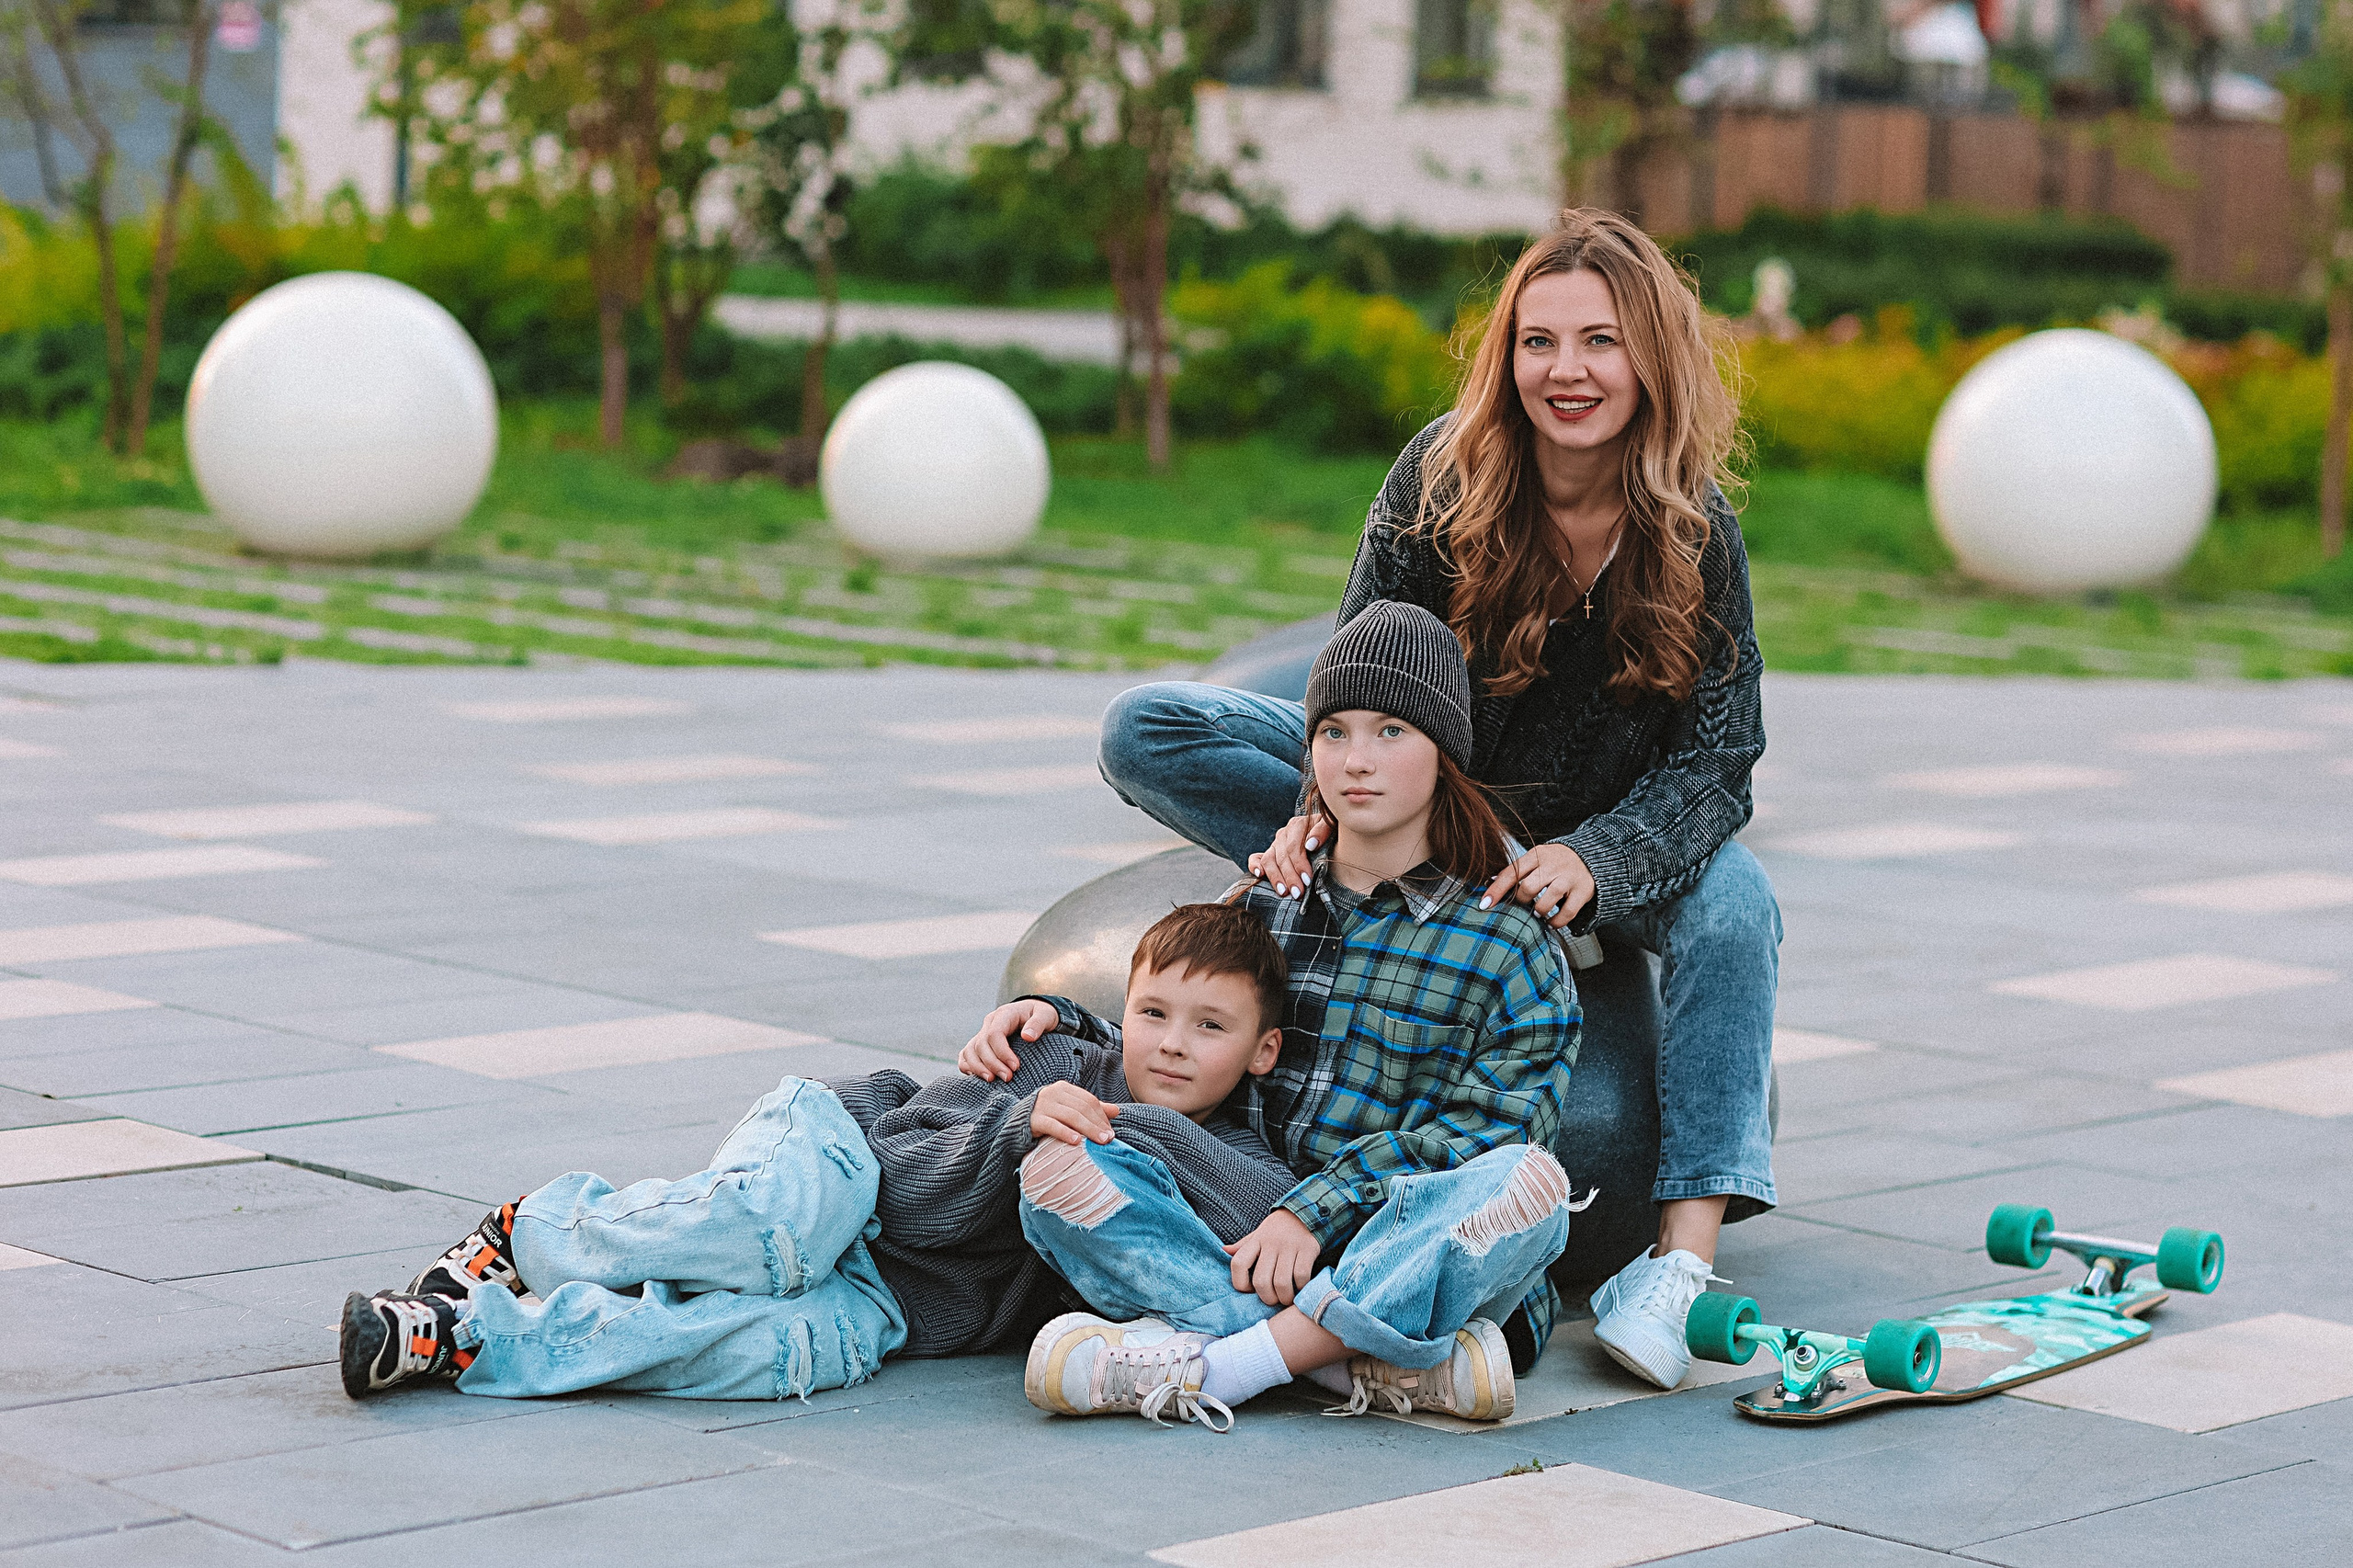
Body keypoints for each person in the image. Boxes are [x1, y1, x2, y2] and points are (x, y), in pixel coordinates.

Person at [1095, 207, 1778, 1392]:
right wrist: (1320, 794)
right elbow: (1357, 667)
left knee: (1740, 907)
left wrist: (1600, 863)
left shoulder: (1694, 526)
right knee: (1150, 726)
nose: (1565, 370)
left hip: (1589, 846)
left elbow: (1719, 760)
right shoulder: (1442, 472)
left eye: (1600, 342)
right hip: (1420, 796)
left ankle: (1674, 1265)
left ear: (1651, 358)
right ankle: (1379, 855)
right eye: (1538, 340)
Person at [966, 601, 1583, 1431]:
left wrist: (1315, 1209)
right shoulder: (1271, 901)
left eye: (1391, 732)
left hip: (1400, 1244)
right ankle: (1368, 1367)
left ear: (1446, 752)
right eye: (1334, 732)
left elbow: (1489, 1134)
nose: (1356, 761)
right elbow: (1184, 1045)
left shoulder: (1511, 943)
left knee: (1526, 1186)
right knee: (1059, 1173)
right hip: (1243, 1234)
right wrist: (1053, 1019)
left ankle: (1222, 1365)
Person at [337, 903, 1302, 1402]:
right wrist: (1017, 1127)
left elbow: (1262, 1199)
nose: (1171, 1041)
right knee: (778, 1230)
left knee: (780, 1349)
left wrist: (1123, 1129)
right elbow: (906, 1189)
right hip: (847, 1157)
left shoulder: (1228, 1155)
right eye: (1153, 1013)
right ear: (1121, 1011)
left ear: (1262, 1051)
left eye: (1208, 1024)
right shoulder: (1050, 1054)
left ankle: (463, 1339)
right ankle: (534, 1230)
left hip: (889, 1296)